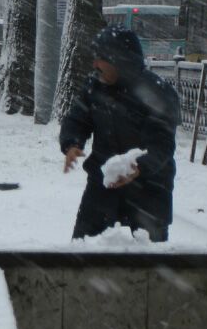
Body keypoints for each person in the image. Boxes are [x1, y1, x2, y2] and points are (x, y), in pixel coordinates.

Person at [60, 25, 180, 242]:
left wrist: (140, 166)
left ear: (119, 60)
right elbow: (77, 118)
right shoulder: (94, 86)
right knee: (84, 248)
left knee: (151, 258)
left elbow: (162, 144)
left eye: (100, 59)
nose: (95, 64)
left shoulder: (156, 93)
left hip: (150, 186)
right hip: (104, 179)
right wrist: (72, 143)